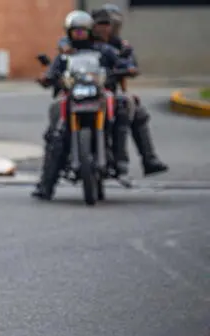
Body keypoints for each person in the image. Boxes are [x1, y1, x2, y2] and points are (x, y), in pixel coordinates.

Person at [31, 10, 135, 200]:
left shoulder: (103, 50)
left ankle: (120, 163)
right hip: (73, 96)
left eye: (82, 31)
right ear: (69, 32)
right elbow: (54, 71)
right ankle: (46, 184)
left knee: (120, 112)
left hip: (98, 93)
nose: (79, 35)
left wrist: (126, 67)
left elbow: (120, 62)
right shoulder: (65, 54)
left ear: (89, 31)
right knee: (56, 133)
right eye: (75, 32)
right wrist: (47, 78)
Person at [91, 4, 169, 176]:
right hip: (84, 91)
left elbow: (131, 66)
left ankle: (147, 159)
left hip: (110, 90)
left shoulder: (121, 46)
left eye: (111, 24)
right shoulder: (82, 42)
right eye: (103, 24)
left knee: (134, 108)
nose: (108, 28)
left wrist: (129, 70)